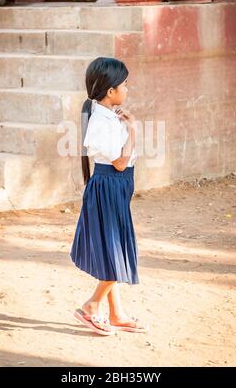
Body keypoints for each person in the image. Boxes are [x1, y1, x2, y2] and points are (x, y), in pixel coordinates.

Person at [70, 56, 149, 336]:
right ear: (110, 91)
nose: (127, 89)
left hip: (114, 186)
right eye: (125, 85)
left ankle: (116, 314)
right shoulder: (102, 122)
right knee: (116, 251)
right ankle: (91, 307)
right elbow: (119, 162)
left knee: (112, 250)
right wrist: (134, 131)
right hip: (110, 184)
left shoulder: (104, 115)